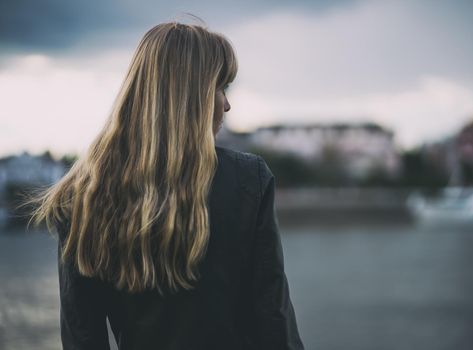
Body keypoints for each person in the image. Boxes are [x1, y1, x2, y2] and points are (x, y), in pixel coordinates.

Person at [25, 20, 305, 350]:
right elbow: (274, 321)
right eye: (221, 88)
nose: (226, 105)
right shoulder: (248, 179)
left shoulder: (82, 194)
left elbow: (82, 337)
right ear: (193, 95)